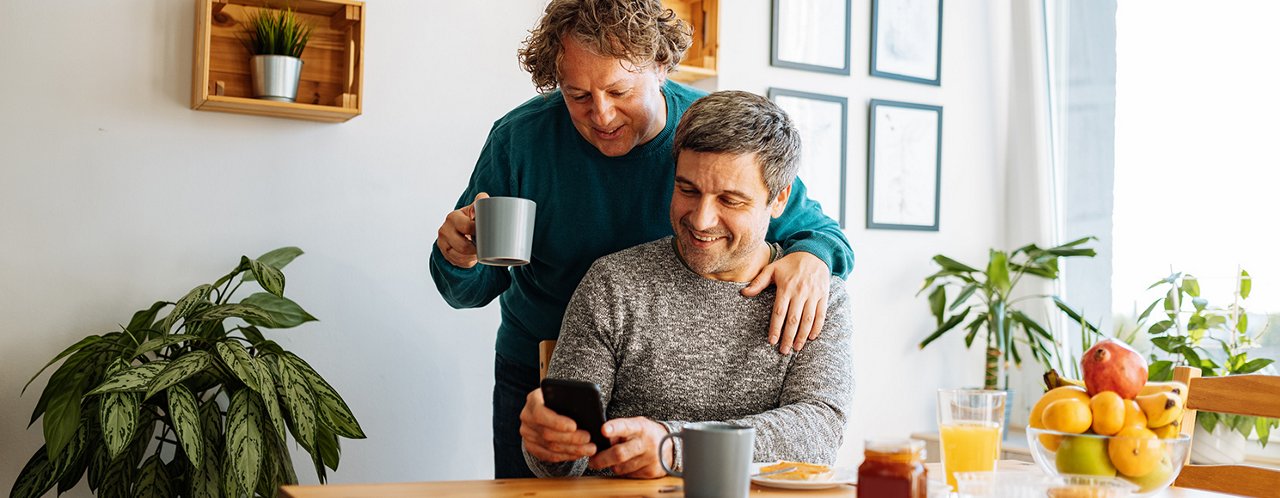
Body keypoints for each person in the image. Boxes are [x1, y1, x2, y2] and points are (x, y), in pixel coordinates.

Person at [429, 0, 854, 478]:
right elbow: (473, 285)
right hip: (544, 367)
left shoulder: (708, 137)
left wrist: (814, 257)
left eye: (619, 90)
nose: (602, 114)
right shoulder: (522, 140)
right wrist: (459, 260)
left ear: (660, 67)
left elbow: (816, 230)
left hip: (669, 378)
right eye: (578, 95)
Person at [519, 91, 854, 478]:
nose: (701, 219)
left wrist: (673, 446)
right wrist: (549, 444)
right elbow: (563, 466)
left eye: (730, 200)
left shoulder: (817, 296)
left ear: (778, 200)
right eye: (688, 190)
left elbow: (818, 432)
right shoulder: (614, 285)